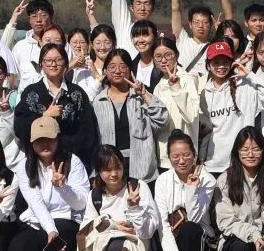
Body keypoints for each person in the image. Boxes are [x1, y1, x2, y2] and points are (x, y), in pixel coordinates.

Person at [8, 117, 90, 251]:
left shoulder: (73, 162)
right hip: (38, 221)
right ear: (32, 143)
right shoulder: (24, 166)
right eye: (39, 140)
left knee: (61, 235)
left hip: (67, 219)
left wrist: (63, 188)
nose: (44, 144)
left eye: (49, 139)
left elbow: (81, 203)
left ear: (58, 139)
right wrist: (50, 229)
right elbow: (35, 202)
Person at [75, 146, 160, 251]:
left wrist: (134, 208)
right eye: (107, 170)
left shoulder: (138, 187)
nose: (114, 174)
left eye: (118, 168)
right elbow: (86, 230)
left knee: (115, 248)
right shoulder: (95, 195)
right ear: (98, 171)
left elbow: (148, 232)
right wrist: (111, 225)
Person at [14, 43, 99, 174]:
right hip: (39, 164)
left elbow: (88, 131)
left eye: (58, 60)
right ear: (41, 64)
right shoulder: (31, 92)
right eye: (48, 60)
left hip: (71, 163)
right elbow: (20, 126)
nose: (53, 64)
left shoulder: (77, 93)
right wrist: (44, 116)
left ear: (66, 64)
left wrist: (67, 152)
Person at [150, 131, 218, 251]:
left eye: (186, 155)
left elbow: (194, 218)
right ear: (169, 157)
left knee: (188, 229)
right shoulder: (162, 180)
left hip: (197, 236)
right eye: (176, 156)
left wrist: (191, 188)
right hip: (174, 237)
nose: (181, 161)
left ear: (194, 155)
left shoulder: (207, 180)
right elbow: (162, 222)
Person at [90, 48, 168, 183]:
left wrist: (144, 94)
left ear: (130, 69)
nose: (117, 71)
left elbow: (162, 120)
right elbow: (95, 140)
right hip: (110, 169)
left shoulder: (140, 96)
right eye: (112, 67)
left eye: (123, 66)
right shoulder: (98, 101)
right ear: (105, 71)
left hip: (141, 168)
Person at [197, 42, 264, 176]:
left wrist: (250, 75)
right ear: (208, 65)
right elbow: (207, 130)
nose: (221, 66)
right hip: (215, 163)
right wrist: (201, 158)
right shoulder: (204, 93)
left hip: (243, 162)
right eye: (216, 62)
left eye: (225, 62)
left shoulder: (245, 86)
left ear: (232, 63)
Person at [152, 36, 201, 168]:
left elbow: (191, 116)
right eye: (158, 57)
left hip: (185, 157)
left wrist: (176, 88)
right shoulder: (158, 86)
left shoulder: (188, 80)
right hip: (164, 157)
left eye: (168, 55)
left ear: (177, 55)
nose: (163, 60)